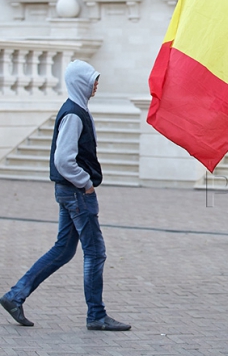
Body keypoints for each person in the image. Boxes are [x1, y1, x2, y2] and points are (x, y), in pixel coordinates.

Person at [0, 60, 130, 331]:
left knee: (63, 249)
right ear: (81, 82)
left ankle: (15, 296)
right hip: (77, 193)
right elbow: (63, 159)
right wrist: (86, 183)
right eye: (93, 80)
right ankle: (96, 315)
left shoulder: (77, 109)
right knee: (95, 253)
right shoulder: (73, 113)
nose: (96, 85)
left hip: (69, 192)